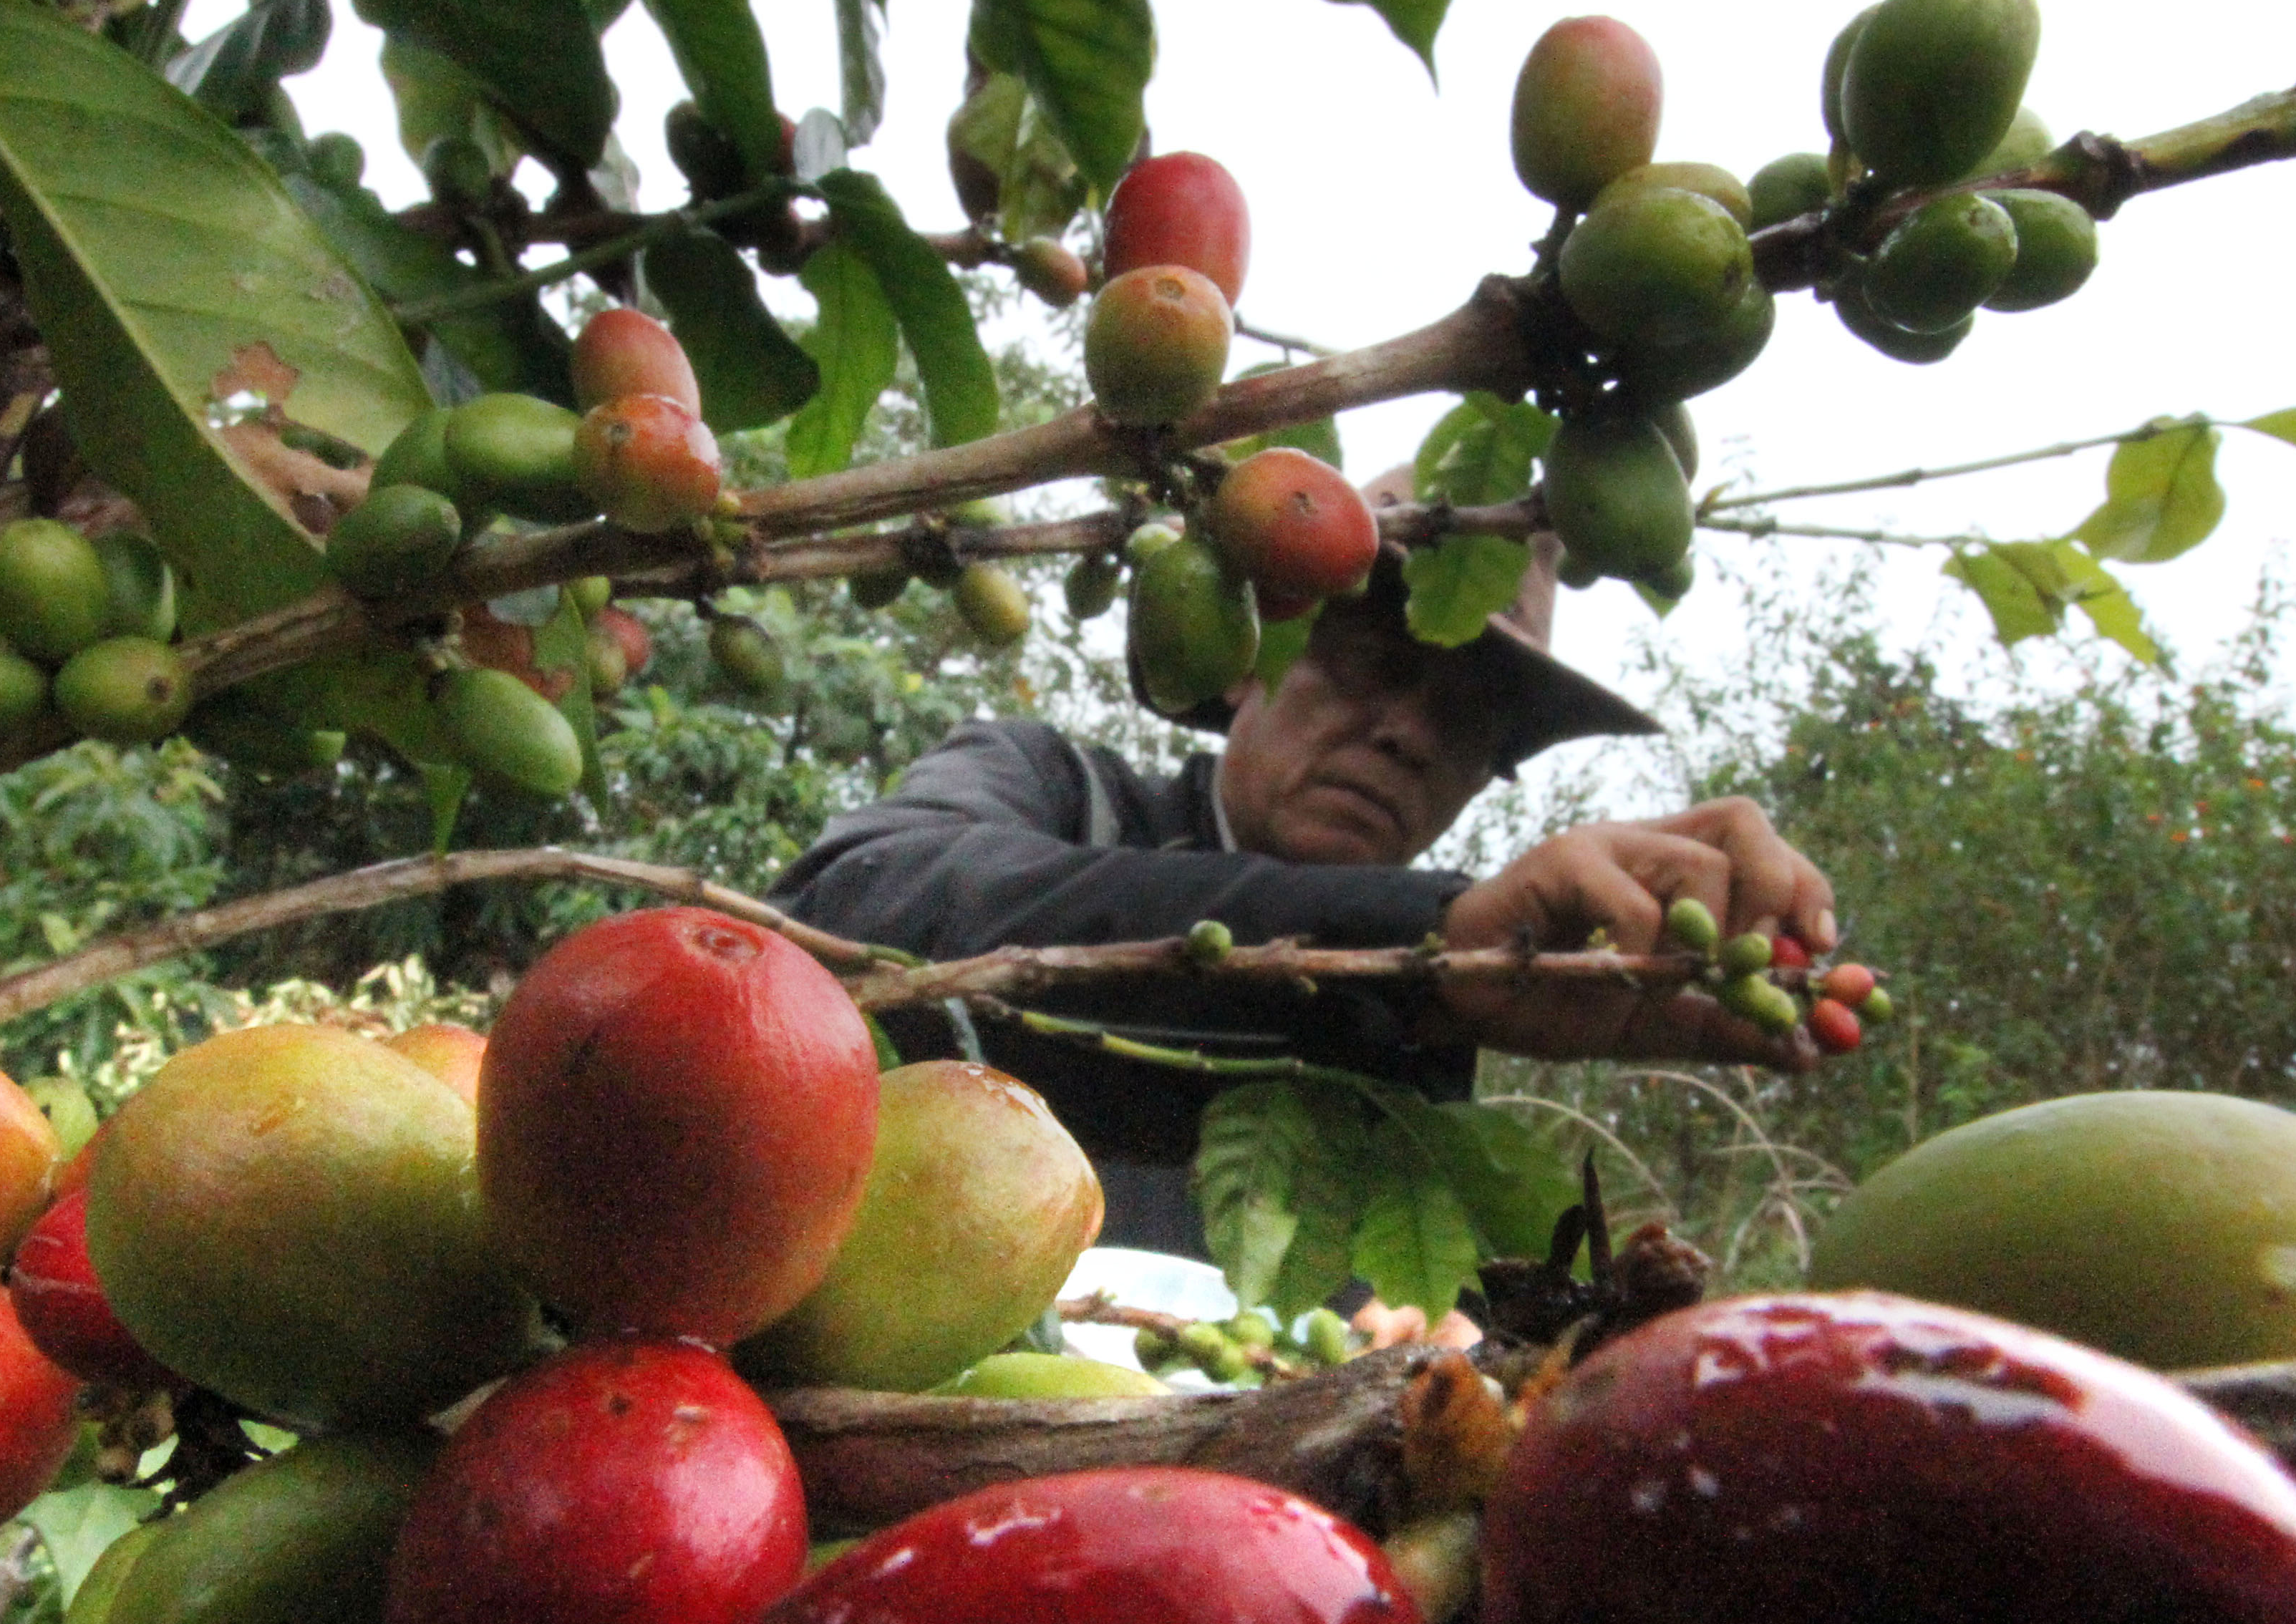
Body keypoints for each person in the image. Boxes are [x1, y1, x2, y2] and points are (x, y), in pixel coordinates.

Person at [770, 474, 1841, 1257]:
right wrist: (1424, 948)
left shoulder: (1441, 1026)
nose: (1407, 735)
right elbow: (846, 917)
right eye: (1372, 666)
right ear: (1250, 660)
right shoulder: (1049, 787)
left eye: (1463, 724)